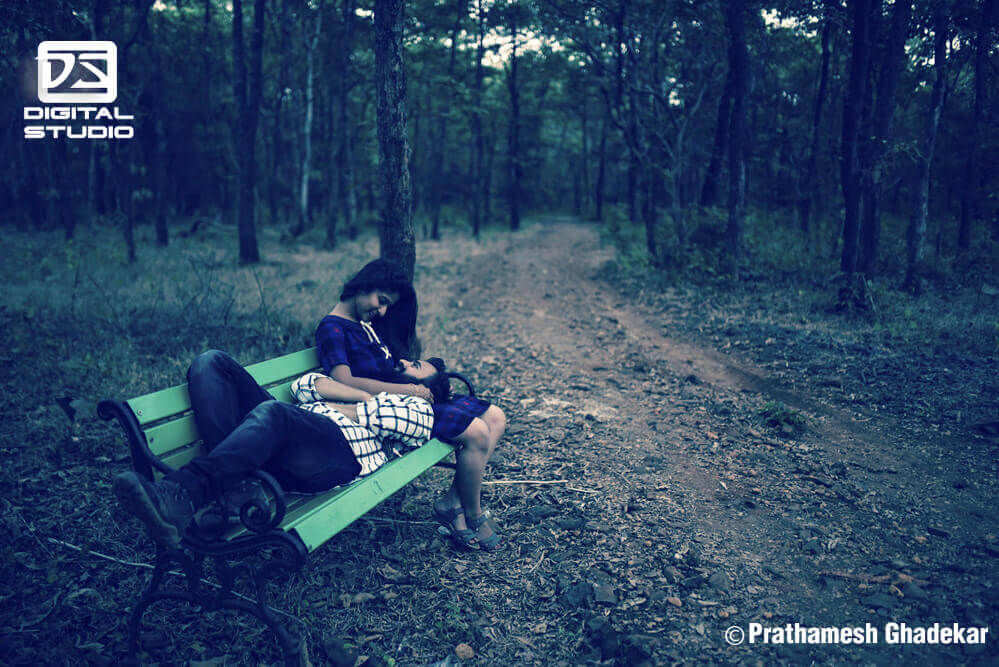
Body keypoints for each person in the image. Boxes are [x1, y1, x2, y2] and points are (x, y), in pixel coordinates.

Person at [113, 349, 434, 549]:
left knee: (275, 413)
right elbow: (304, 386)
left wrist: (387, 396)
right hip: (288, 433)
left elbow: (392, 419)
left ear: (428, 390)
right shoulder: (368, 392)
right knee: (211, 362)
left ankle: (180, 494)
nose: (406, 365)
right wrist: (363, 397)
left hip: (339, 453)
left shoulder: (419, 406)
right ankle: (237, 490)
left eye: (417, 369)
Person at [314, 259, 508, 552]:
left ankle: (452, 503)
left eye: (387, 305)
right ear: (364, 285)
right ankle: (473, 513)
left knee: (495, 417)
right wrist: (407, 389)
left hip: (405, 402)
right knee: (478, 432)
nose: (382, 310)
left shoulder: (364, 325)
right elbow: (344, 380)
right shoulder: (333, 327)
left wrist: (423, 378)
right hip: (391, 410)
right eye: (381, 301)